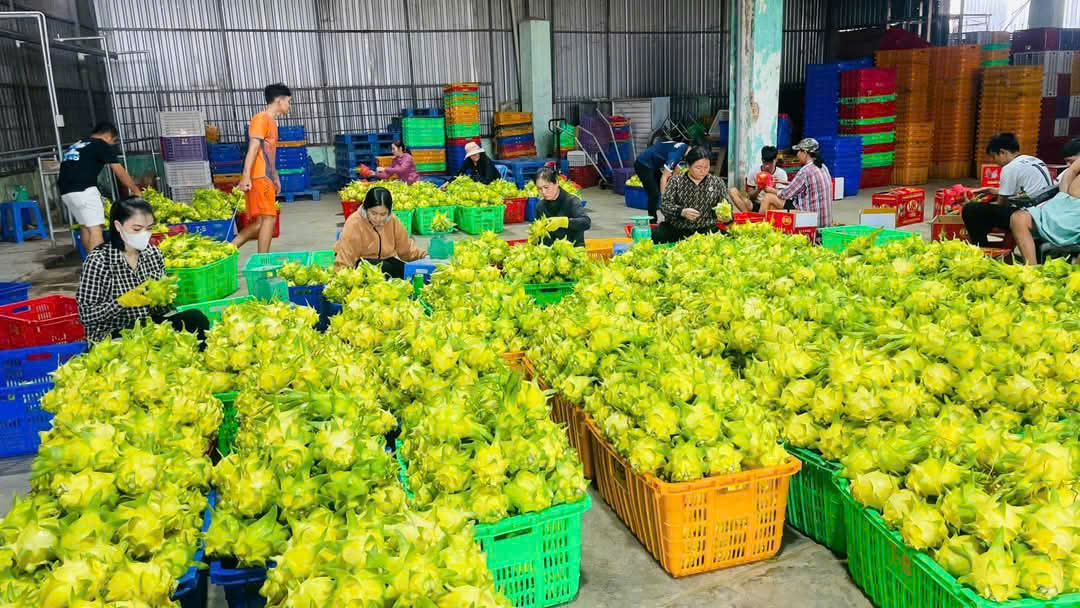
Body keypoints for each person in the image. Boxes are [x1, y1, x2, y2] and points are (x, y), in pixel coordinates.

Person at [76, 198, 209, 343]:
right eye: (137, 229)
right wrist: (121, 302)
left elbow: (162, 310)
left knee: (196, 318)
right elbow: (85, 315)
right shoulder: (99, 260)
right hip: (114, 333)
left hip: (149, 325)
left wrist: (163, 295)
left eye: (149, 228)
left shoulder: (153, 253)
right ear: (118, 226)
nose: (144, 234)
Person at [58, 122, 143, 252]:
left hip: (67, 193)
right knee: (96, 229)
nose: (112, 144)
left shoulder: (77, 145)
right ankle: (99, 270)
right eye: (113, 141)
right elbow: (119, 171)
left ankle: (90, 266)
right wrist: (136, 190)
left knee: (85, 227)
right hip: (84, 190)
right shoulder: (101, 144)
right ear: (109, 136)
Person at [961, 133, 1055, 246]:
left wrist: (974, 203)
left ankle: (981, 246)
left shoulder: (1010, 168)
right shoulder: (1034, 160)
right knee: (986, 206)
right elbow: (1026, 191)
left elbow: (1002, 204)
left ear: (1002, 152)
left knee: (971, 209)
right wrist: (991, 190)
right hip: (1047, 213)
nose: (994, 161)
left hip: (1029, 217)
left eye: (994, 156)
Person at [233, 83, 291, 254]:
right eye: (288, 101)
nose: (289, 105)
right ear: (279, 101)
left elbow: (269, 154)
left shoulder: (272, 123)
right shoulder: (261, 119)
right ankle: (263, 263)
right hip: (258, 176)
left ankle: (224, 251)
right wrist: (245, 177)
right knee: (269, 219)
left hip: (265, 176)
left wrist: (275, 176)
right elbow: (253, 147)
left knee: (259, 223)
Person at [1008, 139, 1080, 264]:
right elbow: (1070, 173)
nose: (1068, 165)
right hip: (1057, 210)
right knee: (1018, 218)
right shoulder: (1069, 174)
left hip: (1074, 221)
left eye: (1071, 161)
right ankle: (1032, 269)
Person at [333, 186, 426, 279]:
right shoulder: (354, 222)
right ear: (366, 209)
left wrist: (424, 257)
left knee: (410, 273)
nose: (378, 219)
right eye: (373, 213)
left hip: (385, 260)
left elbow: (406, 249)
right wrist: (342, 278)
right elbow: (346, 255)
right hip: (360, 263)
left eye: (383, 214)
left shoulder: (392, 220)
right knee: (385, 268)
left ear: (389, 212)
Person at [654, 147, 727, 244]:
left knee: (729, 240)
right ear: (688, 166)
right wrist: (681, 212)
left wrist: (726, 215)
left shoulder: (717, 182)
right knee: (654, 237)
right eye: (698, 168)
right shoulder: (676, 181)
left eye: (706, 167)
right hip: (677, 229)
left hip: (705, 230)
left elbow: (725, 205)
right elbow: (664, 206)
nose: (703, 171)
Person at [759, 138, 833, 228]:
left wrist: (770, 190)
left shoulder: (805, 171)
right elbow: (806, 185)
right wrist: (786, 182)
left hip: (811, 221)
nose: (797, 155)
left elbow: (785, 194)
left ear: (805, 153)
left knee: (768, 197)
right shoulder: (823, 167)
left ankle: (759, 226)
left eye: (798, 152)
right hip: (825, 222)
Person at [634, 140, 689, 223]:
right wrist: (664, 199)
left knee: (667, 190)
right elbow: (664, 177)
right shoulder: (676, 155)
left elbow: (676, 170)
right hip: (643, 164)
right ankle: (652, 221)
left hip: (654, 164)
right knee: (654, 194)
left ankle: (671, 218)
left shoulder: (684, 147)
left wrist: (672, 187)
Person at [532, 167, 591, 246]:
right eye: (539, 189)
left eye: (546, 187)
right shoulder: (540, 206)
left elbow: (586, 222)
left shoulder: (572, 201)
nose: (543, 192)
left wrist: (563, 222)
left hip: (573, 250)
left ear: (556, 183)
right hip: (549, 254)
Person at [728, 145, 789, 213]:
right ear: (762, 160)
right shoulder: (754, 171)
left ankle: (761, 220)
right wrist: (758, 189)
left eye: (770, 163)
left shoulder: (781, 173)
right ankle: (747, 217)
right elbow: (750, 196)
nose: (767, 166)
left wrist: (771, 189)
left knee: (768, 196)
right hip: (757, 204)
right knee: (732, 191)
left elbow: (783, 198)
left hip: (773, 206)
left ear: (775, 160)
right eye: (764, 163)